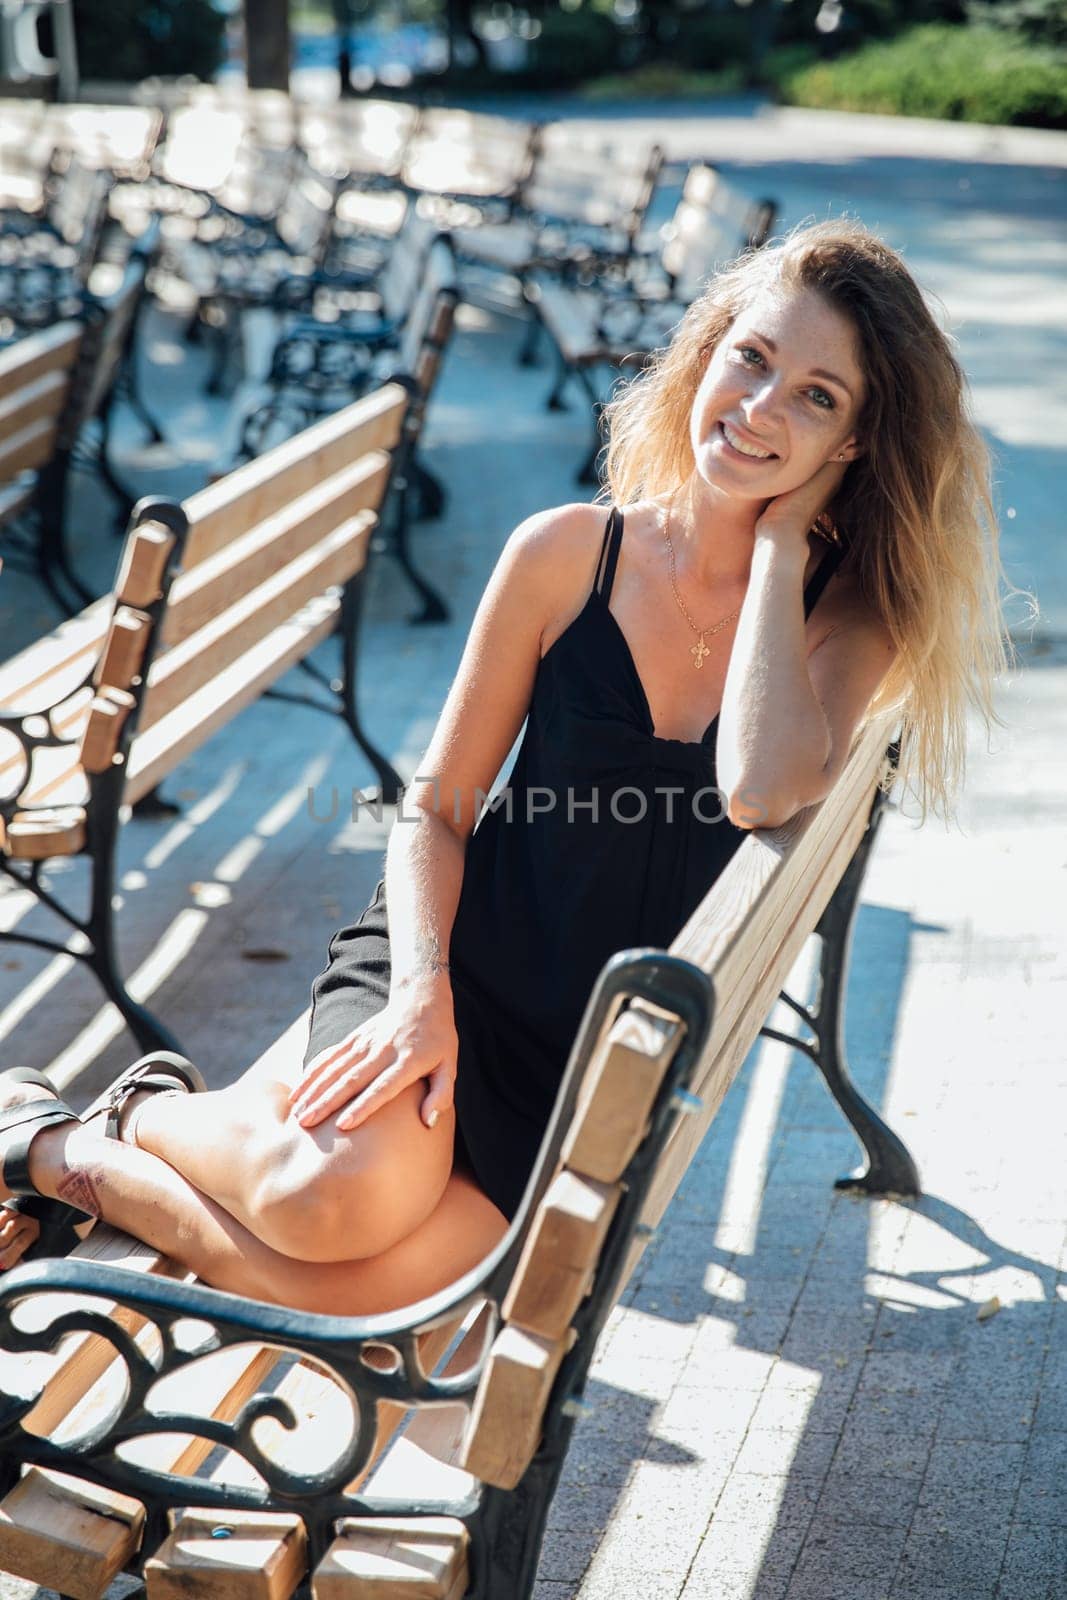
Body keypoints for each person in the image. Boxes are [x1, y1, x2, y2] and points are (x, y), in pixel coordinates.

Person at [0, 218, 1023, 1310]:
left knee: (367, 1294)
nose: (761, 407)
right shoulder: (563, 556)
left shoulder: (846, 618)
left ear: (854, 445)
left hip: (575, 1051)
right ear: (707, 350)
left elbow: (760, 787)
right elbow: (430, 810)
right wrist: (419, 995)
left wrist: (773, 547)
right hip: (455, 965)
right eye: (752, 357)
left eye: (817, 397)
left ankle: (73, 1159)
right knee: (322, 1209)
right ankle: (119, 1118)